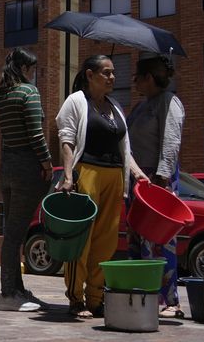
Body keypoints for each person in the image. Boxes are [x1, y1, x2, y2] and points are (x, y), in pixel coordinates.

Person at [56, 55, 146, 318]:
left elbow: (124, 147)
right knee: (81, 239)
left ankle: (95, 298)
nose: (112, 77)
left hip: (114, 176)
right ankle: (76, 297)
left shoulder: (115, 106)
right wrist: (69, 176)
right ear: (89, 75)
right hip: (88, 172)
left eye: (113, 73)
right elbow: (67, 140)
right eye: (106, 73)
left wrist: (138, 173)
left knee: (106, 241)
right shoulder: (76, 101)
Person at [0, 49, 53, 312]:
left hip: (6, 166)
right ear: (26, 68)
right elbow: (35, 134)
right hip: (27, 168)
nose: (34, 73)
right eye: (33, 68)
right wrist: (48, 164)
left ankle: (17, 289)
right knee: (15, 234)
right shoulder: (29, 92)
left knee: (12, 231)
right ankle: (7, 294)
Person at [127, 55, 185, 318]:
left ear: (149, 78)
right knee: (138, 239)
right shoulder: (140, 107)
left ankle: (170, 300)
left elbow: (171, 142)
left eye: (137, 76)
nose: (134, 81)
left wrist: (162, 179)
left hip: (158, 182)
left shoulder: (169, 102)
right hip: (138, 182)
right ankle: (143, 294)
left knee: (161, 241)